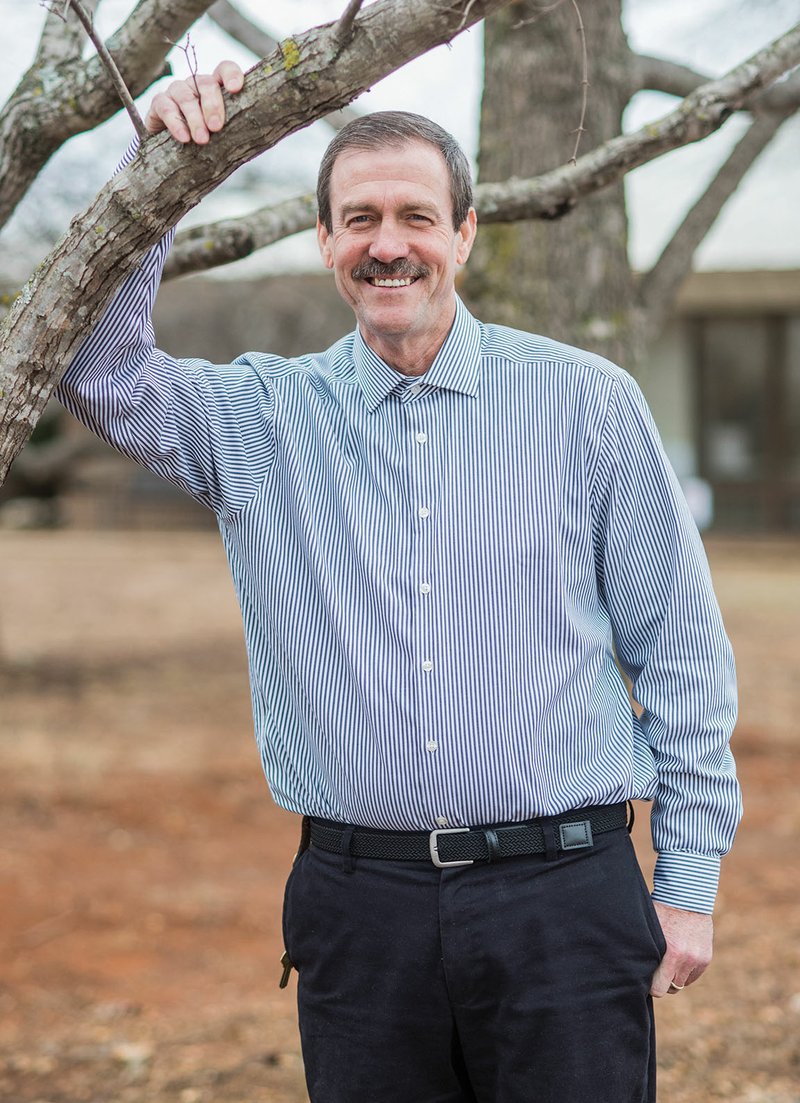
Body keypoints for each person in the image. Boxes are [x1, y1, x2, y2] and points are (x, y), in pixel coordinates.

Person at [58, 61, 742, 1103]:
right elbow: (100, 370)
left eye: (415, 216)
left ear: (463, 234)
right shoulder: (256, 419)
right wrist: (156, 169)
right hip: (357, 905)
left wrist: (686, 880)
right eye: (358, 218)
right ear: (325, 239)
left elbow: (680, 652)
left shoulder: (586, 404)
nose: (387, 243)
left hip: (563, 896)